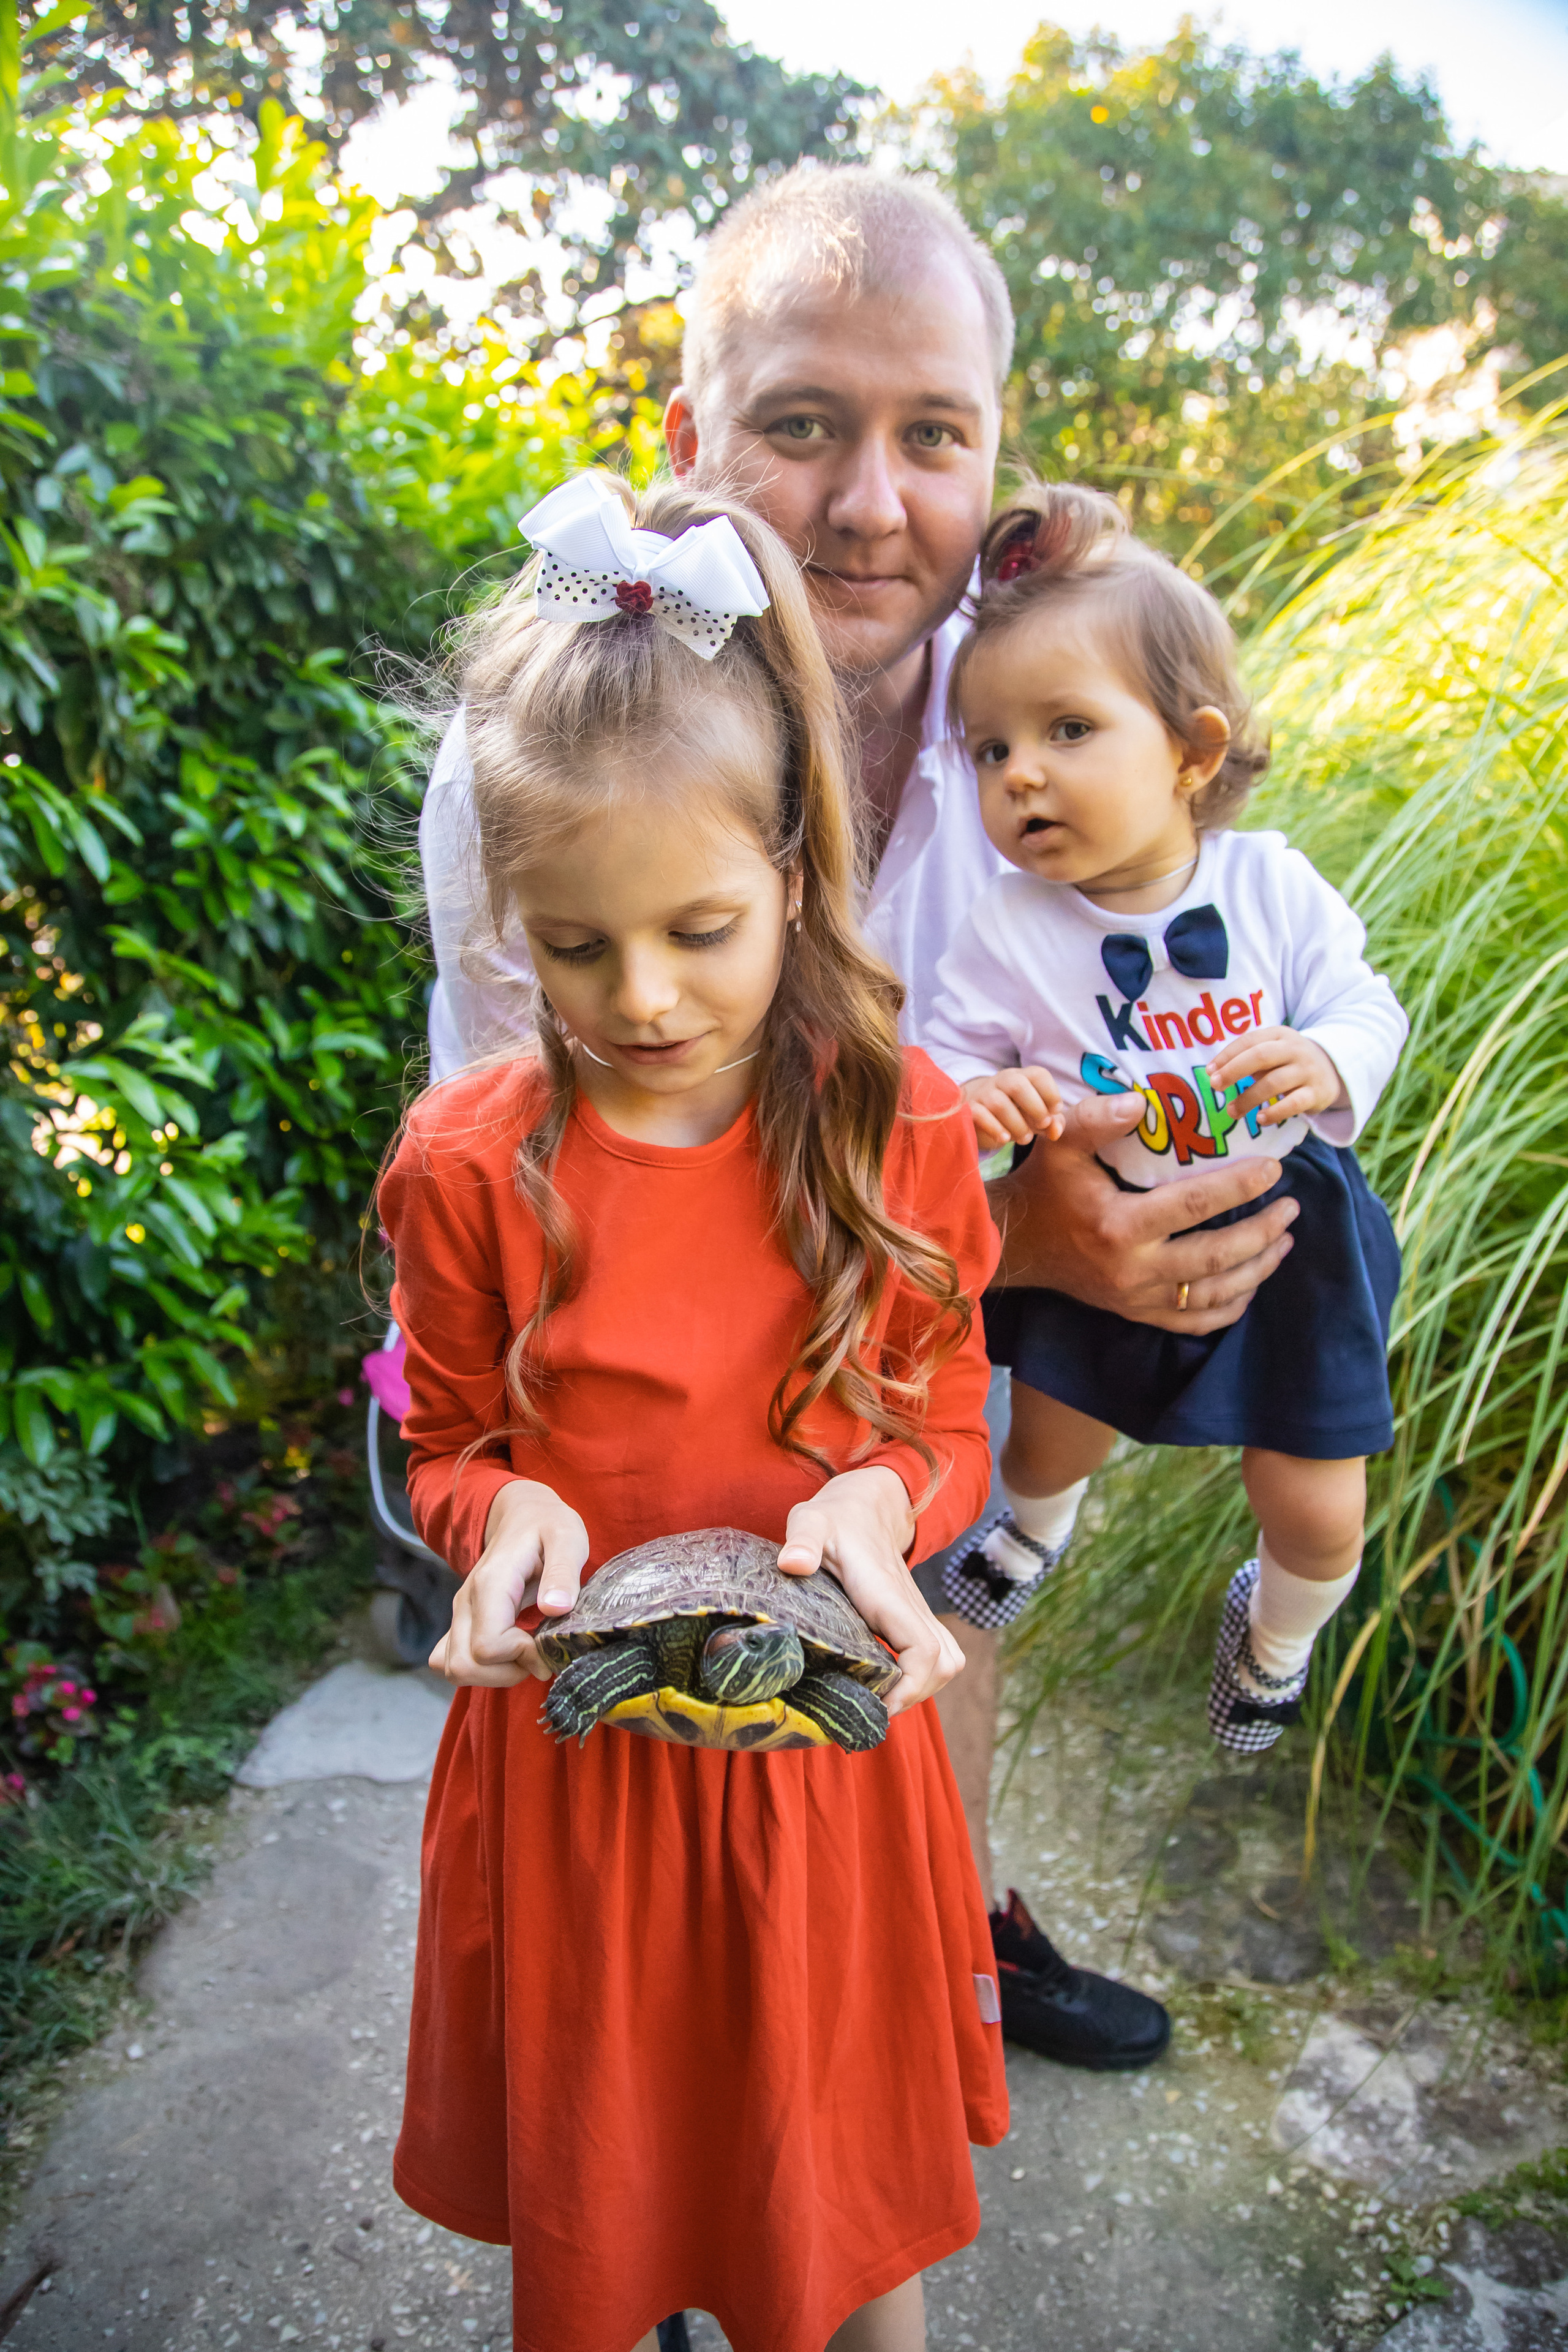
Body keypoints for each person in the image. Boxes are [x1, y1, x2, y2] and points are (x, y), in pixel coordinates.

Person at [420, 164, 1298, 2067]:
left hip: (918, 1269)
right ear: (690, 440)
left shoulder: (1025, 681)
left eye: (937, 441)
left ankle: (943, 1947)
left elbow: (1183, 810)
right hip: (623, 1304)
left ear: (997, 466)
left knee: (932, 1558)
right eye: (802, 428)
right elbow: (570, 1132)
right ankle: (658, 2085)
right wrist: (1019, 1236)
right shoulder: (577, 739)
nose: (872, 505)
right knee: (655, 1699)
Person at [384, 472, 1006, 2352]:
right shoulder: (471, 1164)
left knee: (841, 2233)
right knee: (609, 2184)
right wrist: (504, 1526)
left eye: (702, 931)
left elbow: (954, 1409)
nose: (641, 996)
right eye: (574, 950)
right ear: (508, 918)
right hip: (582, 1791)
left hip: (819, 1776)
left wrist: (885, 1506)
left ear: (796, 871)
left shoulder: (899, 1130)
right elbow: (448, 1446)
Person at [925, 481, 1408, 1749]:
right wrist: (983, 1104)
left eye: (1067, 729)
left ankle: (1276, 1636)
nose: (1020, 771)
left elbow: (1364, 1003)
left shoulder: (1272, 885)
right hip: (1097, 1217)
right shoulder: (1006, 929)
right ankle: (1032, 1526)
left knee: (1315, 1501)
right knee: (1047, 1430)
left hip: (1283, 1223)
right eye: (989, 749)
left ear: (1192, 751)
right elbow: (944, 1069)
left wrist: (1326, 1055)